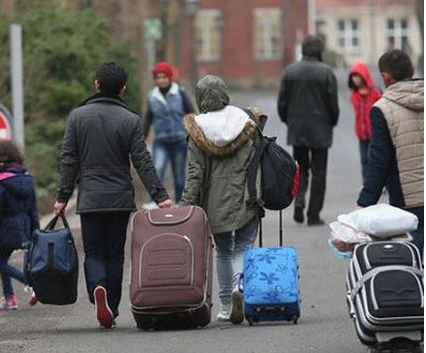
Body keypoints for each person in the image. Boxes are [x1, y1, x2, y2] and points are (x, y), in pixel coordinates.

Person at [54, 62, 173, 329]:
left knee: (94, 251)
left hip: (91, 198)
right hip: (119, 197)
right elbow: (142, 160)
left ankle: (98, 289)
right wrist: (160, 194)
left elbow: (69, 160)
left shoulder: (77, 117)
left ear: (96, 84)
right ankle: (113, 307)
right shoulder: (130, 120)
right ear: (123, 88)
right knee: (116, 254)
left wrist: (63, 196)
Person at [180, 75, 266, 324]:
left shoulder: (198, 129)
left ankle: (227, 305)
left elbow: (195, 174)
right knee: (244, 246)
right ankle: (241, 287)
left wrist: (185, 207)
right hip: (248, 195)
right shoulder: (246, 122)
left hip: (215, 202)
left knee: (224, 252)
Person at [357, 49, 424, 256]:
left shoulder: (382, 109)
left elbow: (379, 160)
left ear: (386, 77)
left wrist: (366, 202)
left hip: (408, 198)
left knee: (414, 259)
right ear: (411, 70)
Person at [277, 35, 339, 226]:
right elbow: (333, 105)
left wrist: (290, 121)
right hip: (321, 128)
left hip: (298, 128)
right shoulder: (327, 73)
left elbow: (282, 103)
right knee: (319, 172)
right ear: (320, 51)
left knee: (300, 169)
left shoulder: (290, 71)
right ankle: (313, 214)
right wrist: (331, 122)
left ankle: (299, 200)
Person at [0, 141, 40, 310]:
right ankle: (9, 299)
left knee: (1, 264)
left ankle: (31, 284)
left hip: (4, 230)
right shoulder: (27, 179)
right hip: (23, 227)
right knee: (2, 261)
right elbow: (33, 210)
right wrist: (35, 232)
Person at [143, 62, 195, 207]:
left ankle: (180, 202)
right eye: (158, 77)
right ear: (155, 79)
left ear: (170, 78)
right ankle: (154, 201)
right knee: (157, 170)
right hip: (161, 141)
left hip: (179, 140)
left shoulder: (180, 92)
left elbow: (190, 113)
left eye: (164, 77)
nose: (161, 80)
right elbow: (148, 118)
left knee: (179, 175)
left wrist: (193, 135)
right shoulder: (152, 96)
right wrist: (142, 138)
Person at [348, 63, 382, 183]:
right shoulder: (354, 95)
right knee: (364, 160)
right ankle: (366, 183)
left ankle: (378, 183)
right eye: (353, 77)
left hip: (374, 133)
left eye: (357, 76)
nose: (355, 79)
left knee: (374, 159)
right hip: (361, 133)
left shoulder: (375, 93)